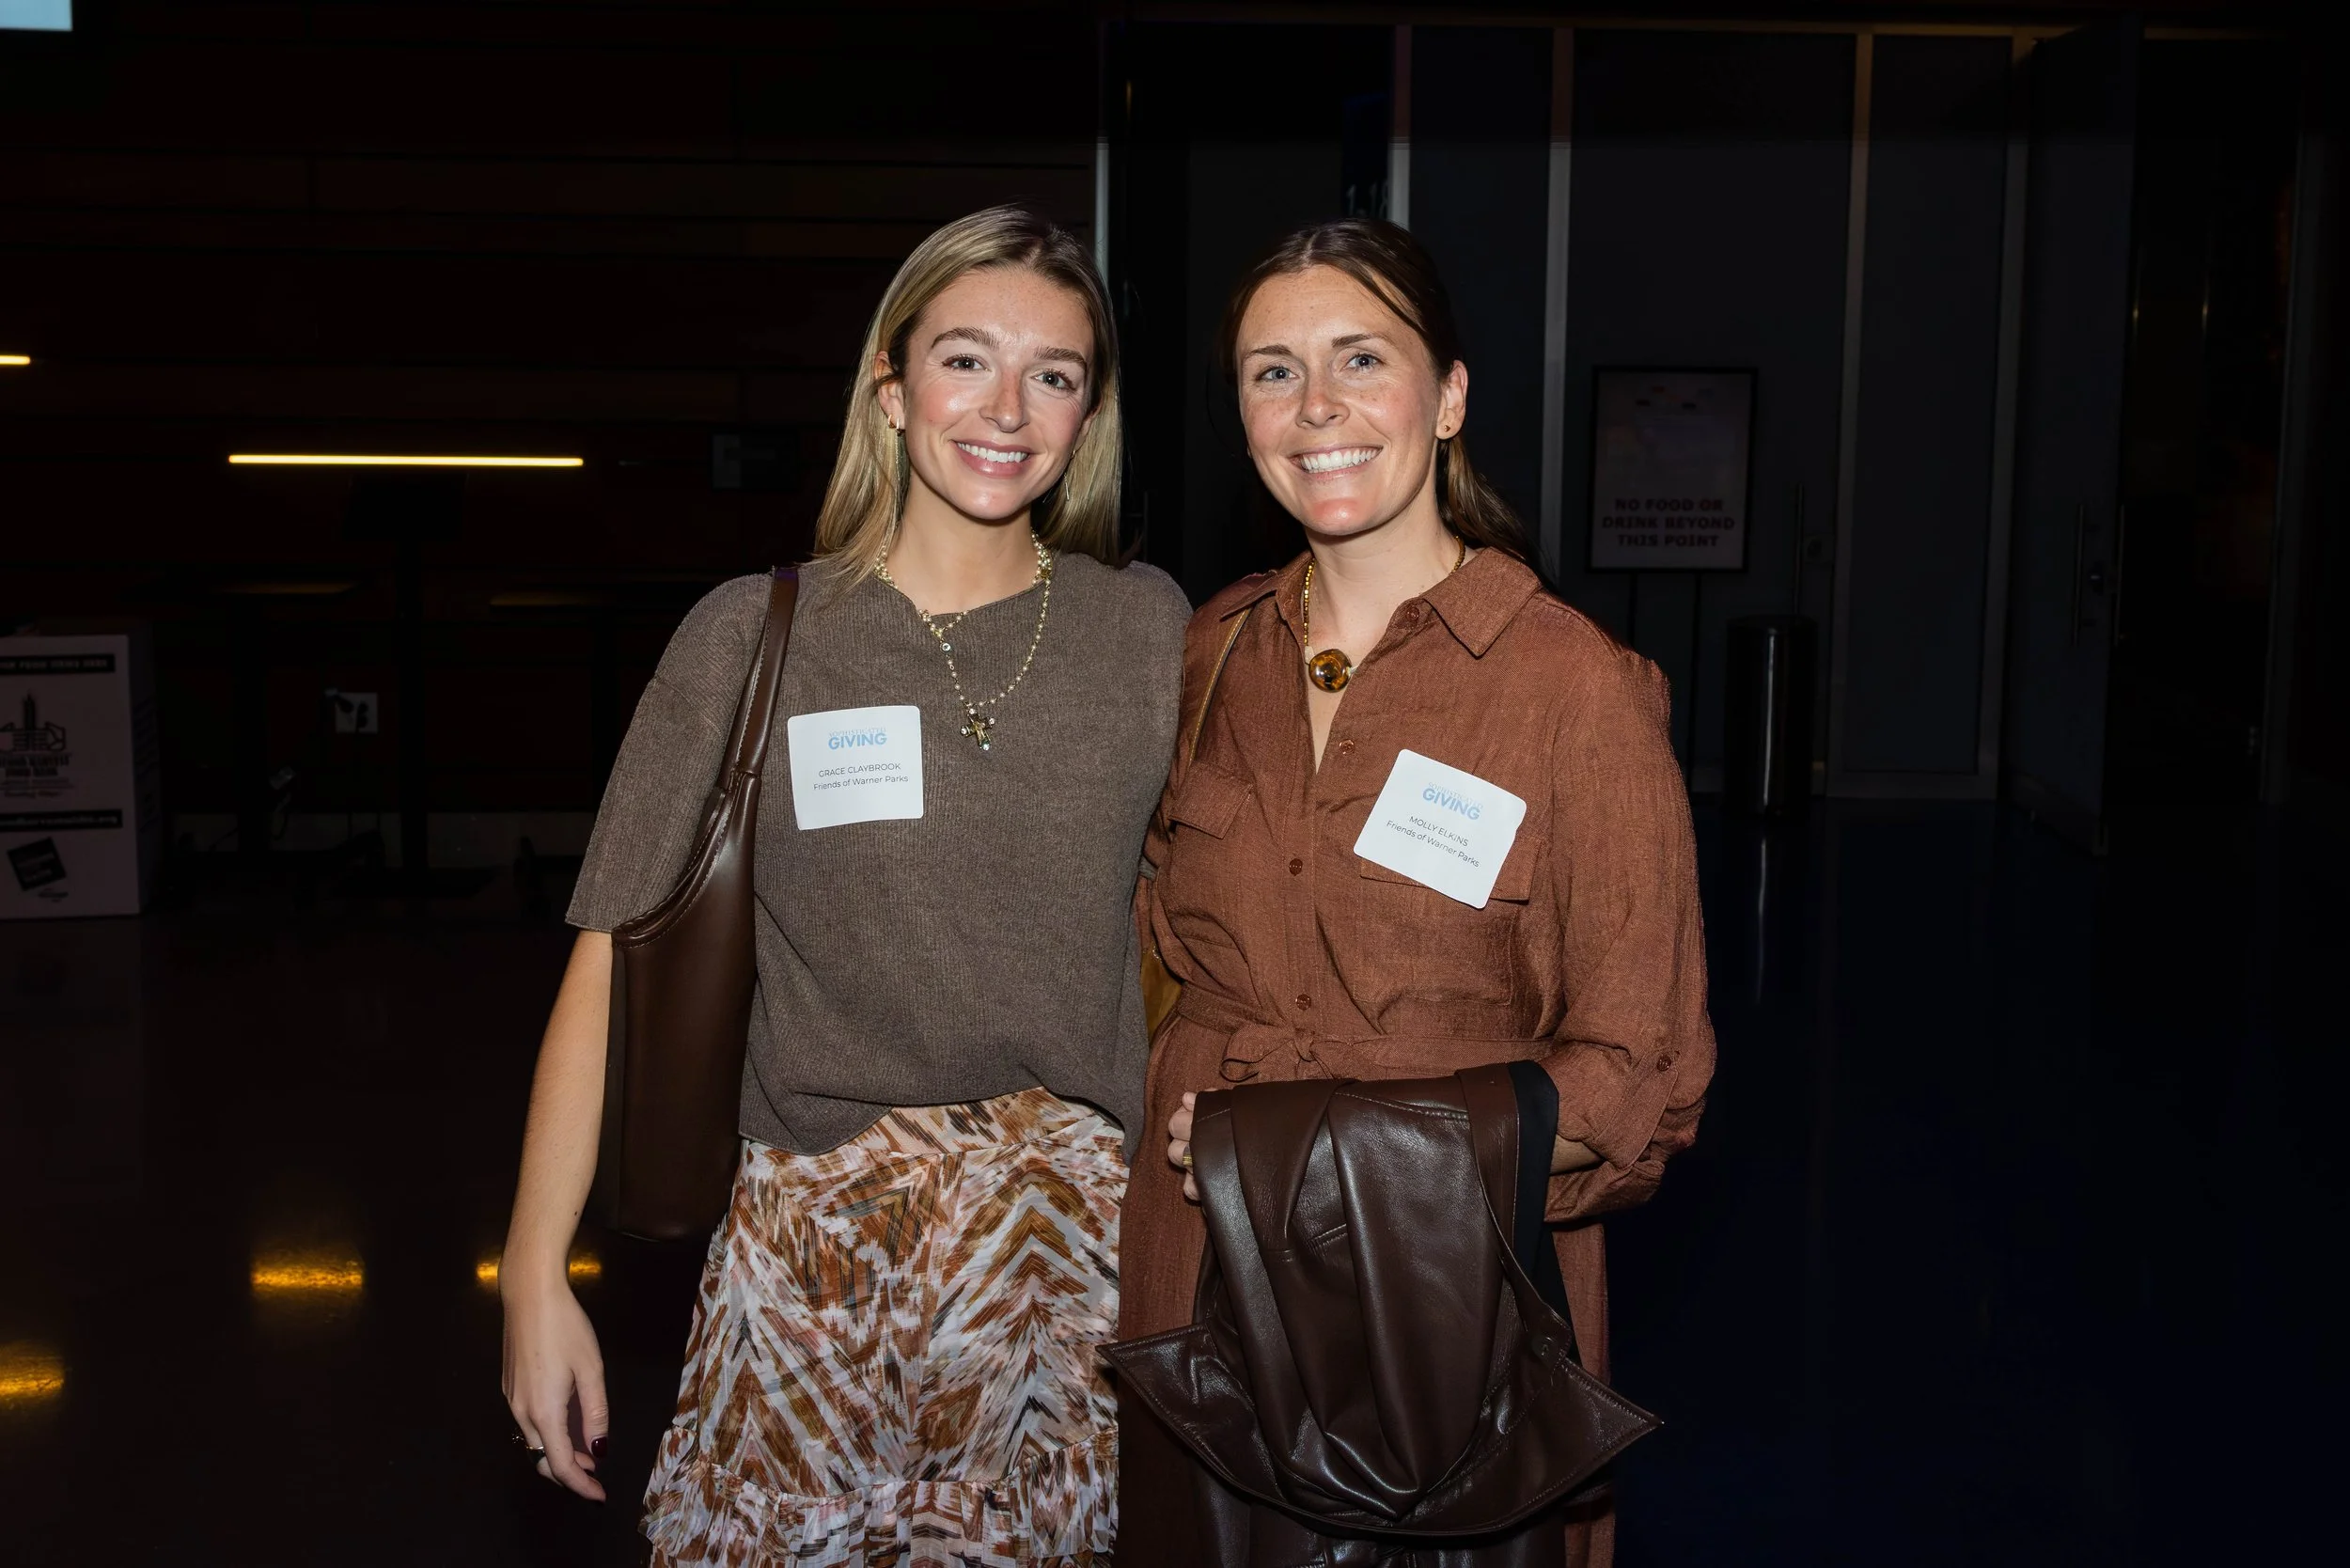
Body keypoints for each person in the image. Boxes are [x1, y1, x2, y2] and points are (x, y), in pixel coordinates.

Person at [500, 206, 1190, 1568]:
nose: (1007, 408)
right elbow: (609, 968)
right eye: (966, 360)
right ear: (890, 385)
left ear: (1087, 411)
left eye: (1053, 373)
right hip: (815, 1258)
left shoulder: (1152, 631)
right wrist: (533, 1270)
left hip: (1071, 1271)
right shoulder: (753, 637)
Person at [1119, 219, 1716, 1568]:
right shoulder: (1211, 655)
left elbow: (1643, 1077)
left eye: (1360, 360)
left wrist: (1301, 1151)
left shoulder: (1575, 693)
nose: (1315, 407)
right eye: (1273, 372)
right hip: (1192, 1288)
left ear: (1447, 398)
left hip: (1450, 1317)